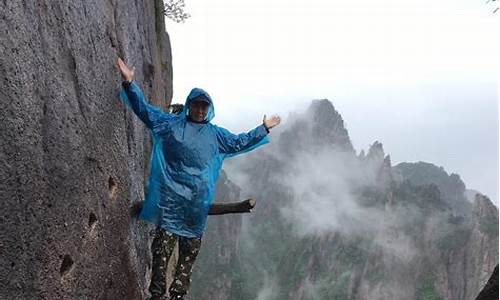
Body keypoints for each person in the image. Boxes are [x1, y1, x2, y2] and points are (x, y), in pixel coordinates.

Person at [117, 58, 280, 300]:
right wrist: (130, 84)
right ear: (190, 106)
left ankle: (177, 296)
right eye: (197, 105)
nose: (201, 110)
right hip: (171, 204)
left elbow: (239, 141)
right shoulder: (171, 125)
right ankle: (156, 295)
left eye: (205, 107)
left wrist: (263, 128)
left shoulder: (216, 135)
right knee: (161, 251)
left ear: (209, 109)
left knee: (187, 257)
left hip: (196, 207)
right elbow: (146, 112)